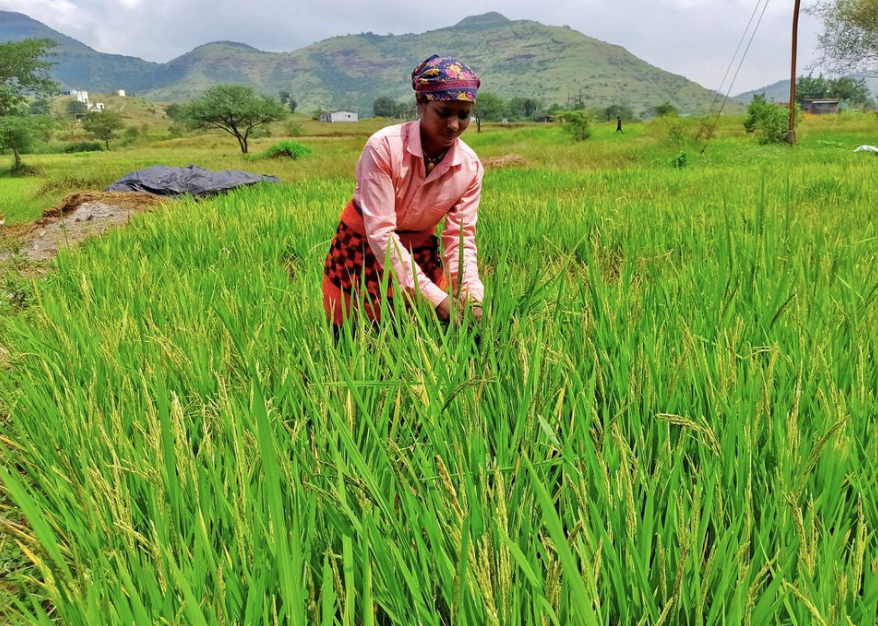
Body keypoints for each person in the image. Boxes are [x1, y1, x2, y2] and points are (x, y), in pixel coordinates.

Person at [323, 55, 485, 335]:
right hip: (361, 248)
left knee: (417, 336)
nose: (454, 125)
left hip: (419, 251)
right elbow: (381, 234)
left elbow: (460, 239)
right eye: (444, 112)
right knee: (353, 335)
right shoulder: (384, 147)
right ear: (421, 105)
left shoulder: (469, 167)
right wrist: (436, 298)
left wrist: (471, 296)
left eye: (463, 115)